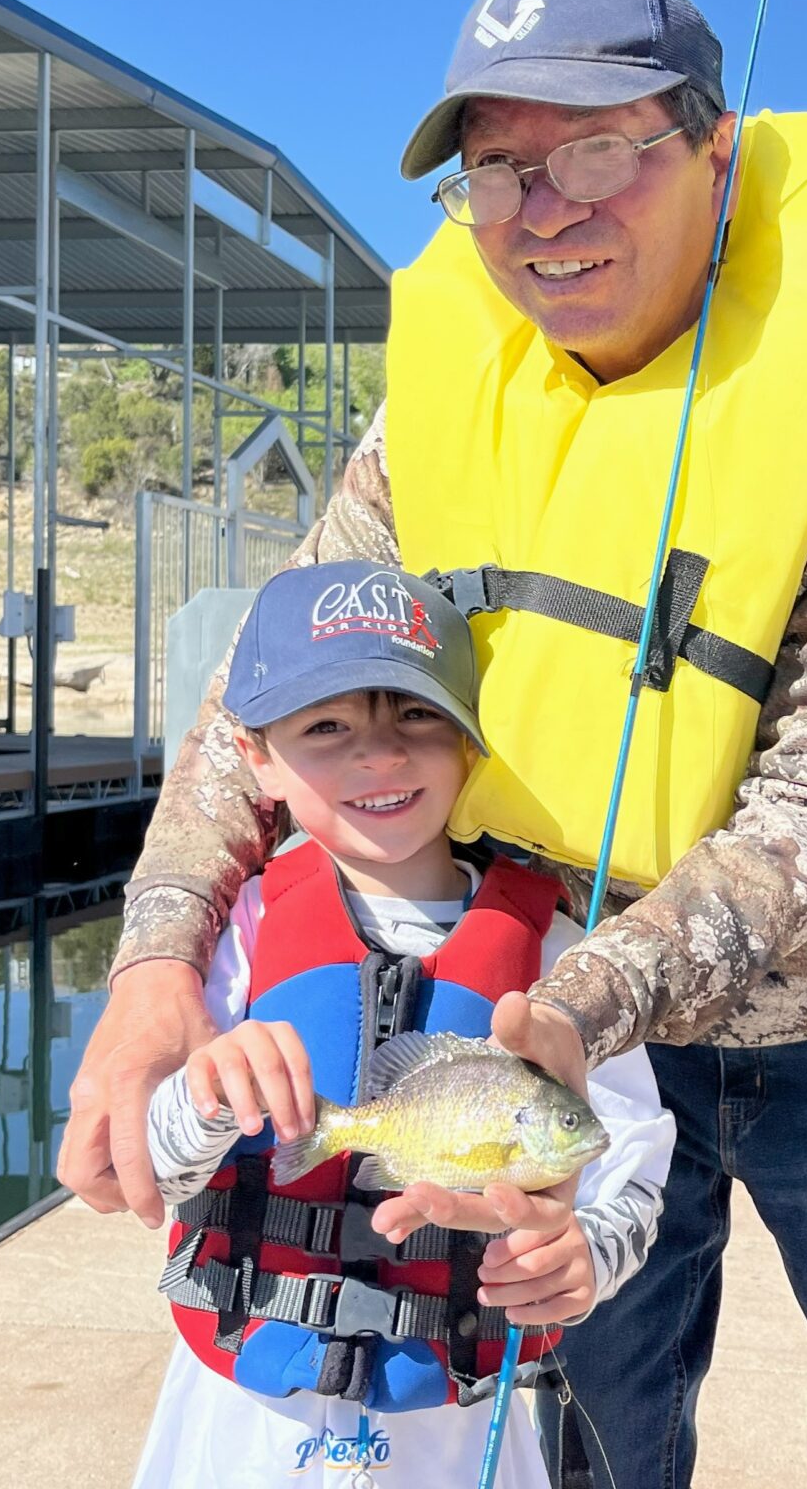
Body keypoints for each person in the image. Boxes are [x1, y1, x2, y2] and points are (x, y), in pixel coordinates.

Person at [59, 0, 807, 1486]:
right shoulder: (427, 427)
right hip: (565, 1022)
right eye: (499, 170)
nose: (547, 208)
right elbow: (258, 699)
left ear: (717, 149)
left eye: (601, 148)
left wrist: (578, 1004)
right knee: (586, 1441)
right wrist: (156, 962)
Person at [127, 561, 674, 1488]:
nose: (378, 756)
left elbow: (631, 1159)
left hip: (453, 1425)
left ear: (471, 742)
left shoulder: (557, 955)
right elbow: (158, 1162)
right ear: (256, 757)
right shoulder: (242, 931)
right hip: (241, 1418)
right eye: (327, 727)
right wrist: (210, 1095)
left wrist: (589, 1256)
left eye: (417, 716)